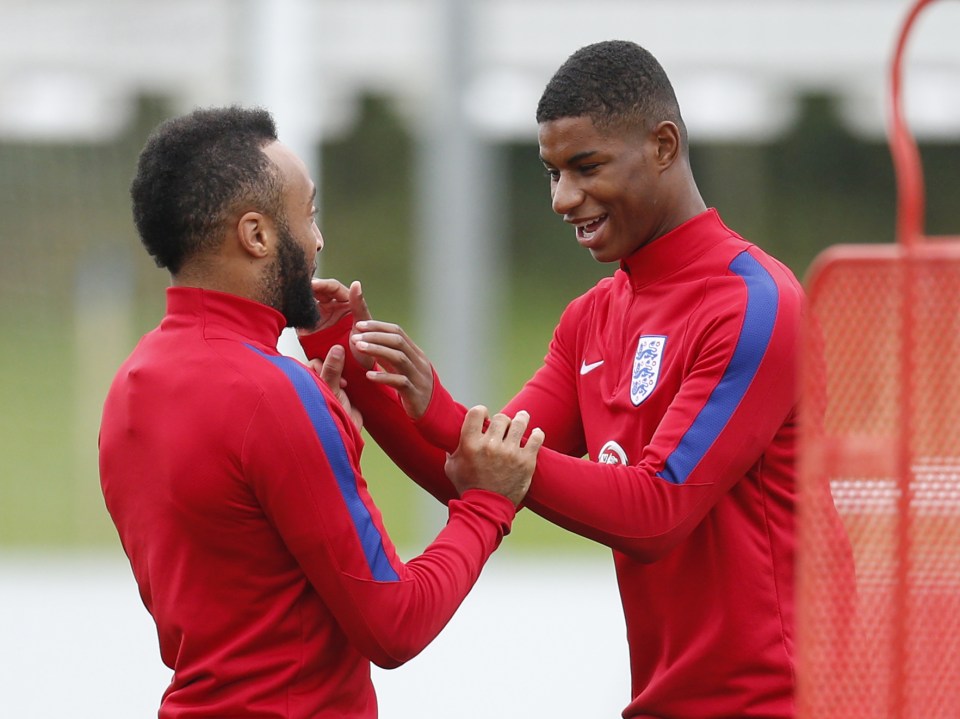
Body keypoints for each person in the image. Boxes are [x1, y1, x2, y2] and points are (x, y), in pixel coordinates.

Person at [299, 40, 849, 718]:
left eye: (585, 167)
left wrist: (449, 414)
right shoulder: (590, 318)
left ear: (663, 145)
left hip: (783, 703)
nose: (563, 198)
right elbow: (467, 473)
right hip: (664, 701)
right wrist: (351, 357)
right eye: (552, 172)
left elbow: (658, 510)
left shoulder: (757, 303)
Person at [98, 106, 544, 719]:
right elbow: (394, 624)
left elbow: (244, 569)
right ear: (256, 236)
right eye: (307, 214)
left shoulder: (131, 382)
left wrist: (333, 428)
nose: (318, 238)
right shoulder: (273, 394)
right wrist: (488, 506)